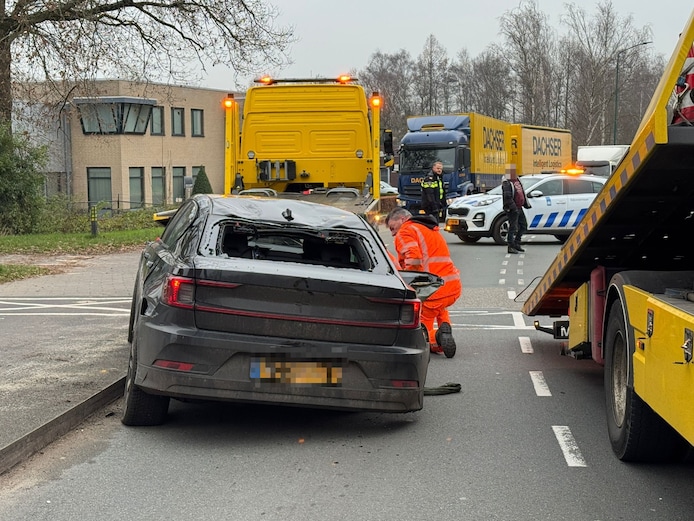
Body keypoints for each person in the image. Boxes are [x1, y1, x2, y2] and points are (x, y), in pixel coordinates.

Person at [386, 207, 461, 358]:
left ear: (402, 219)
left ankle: (436, 340)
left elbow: (414, 259)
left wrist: (409, 283)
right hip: (452, 286)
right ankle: (444, 328)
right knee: (439, 308)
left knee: (422, 324)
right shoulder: (428, 229)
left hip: (431, 289)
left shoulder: (405, 231)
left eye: (392, 228)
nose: (393, 233)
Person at [501, 164, 531, 254]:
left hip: (519, 207)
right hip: (512, 209)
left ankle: (517, 243)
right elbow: (507, 197)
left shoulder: (517, 180)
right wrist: (513, 208)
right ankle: (510, 246)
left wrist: (525, 203)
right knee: (513, 227)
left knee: (523, 226)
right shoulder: (507, 182)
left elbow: (521, 192)